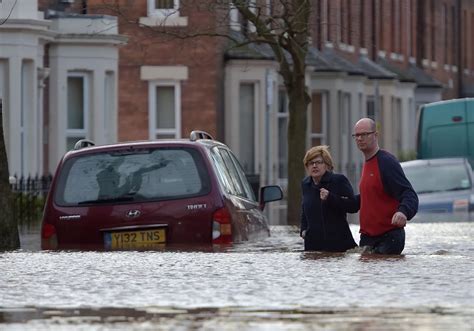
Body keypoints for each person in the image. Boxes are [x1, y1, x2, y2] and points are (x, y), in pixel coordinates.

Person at [352, 118, 418, 255]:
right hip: (368, 238)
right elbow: (367, 199)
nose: (359, 138)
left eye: (364, 134)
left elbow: (409, 194)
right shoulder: (366, 163)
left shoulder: (386, 162)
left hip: (389, 237)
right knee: (365, 275)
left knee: (382, 274)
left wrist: (403, 212)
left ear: (375, 135)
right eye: (357, 135)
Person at [300, 145, 358, 252]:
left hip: (339, 248)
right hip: (313, 249)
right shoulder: (306, 184)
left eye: (318, 162)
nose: (314, 166)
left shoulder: (338, 180)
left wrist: (330, 197)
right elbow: (304, 210)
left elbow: (353, 206)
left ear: (327, 165)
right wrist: (303, 230)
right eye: (310, 163)